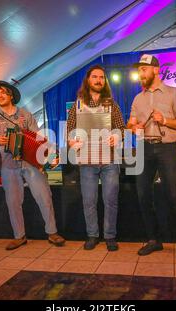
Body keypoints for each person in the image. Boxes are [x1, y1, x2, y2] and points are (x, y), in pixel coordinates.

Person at [0, 80, 65, 250]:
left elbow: (38, 138)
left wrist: (51, 154)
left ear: (11, 95)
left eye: (3, 92)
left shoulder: (25, 114)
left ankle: (52, 232)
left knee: (44, 196)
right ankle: (19, 236)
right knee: (13, 201)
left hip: (29, 162)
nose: (0, 96)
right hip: (8, 164)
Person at [127, 54, 176, 260]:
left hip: (167, 148)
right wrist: (133, 127)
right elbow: (130, 123)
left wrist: (164, 119)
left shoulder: (173, 93)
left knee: (172, 194)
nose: (140, 74)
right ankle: (154, 239)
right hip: (144, 148)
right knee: (143, 195)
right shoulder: (138, 98)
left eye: (143, 70)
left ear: (156, 70)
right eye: (139, 70)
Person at [66, 65, 125, 251]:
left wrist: (117, 135)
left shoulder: (111, 104)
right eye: (95, 77)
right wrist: (72, 142)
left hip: (109, 160)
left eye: (102, 77)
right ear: (88, 80)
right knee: (89, 201)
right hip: (87, 161)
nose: (99, 80)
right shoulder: (78, 104)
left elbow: (121, 128)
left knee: (110, 199)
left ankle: (110, 236)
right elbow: (69, 131)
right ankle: (92, 235)